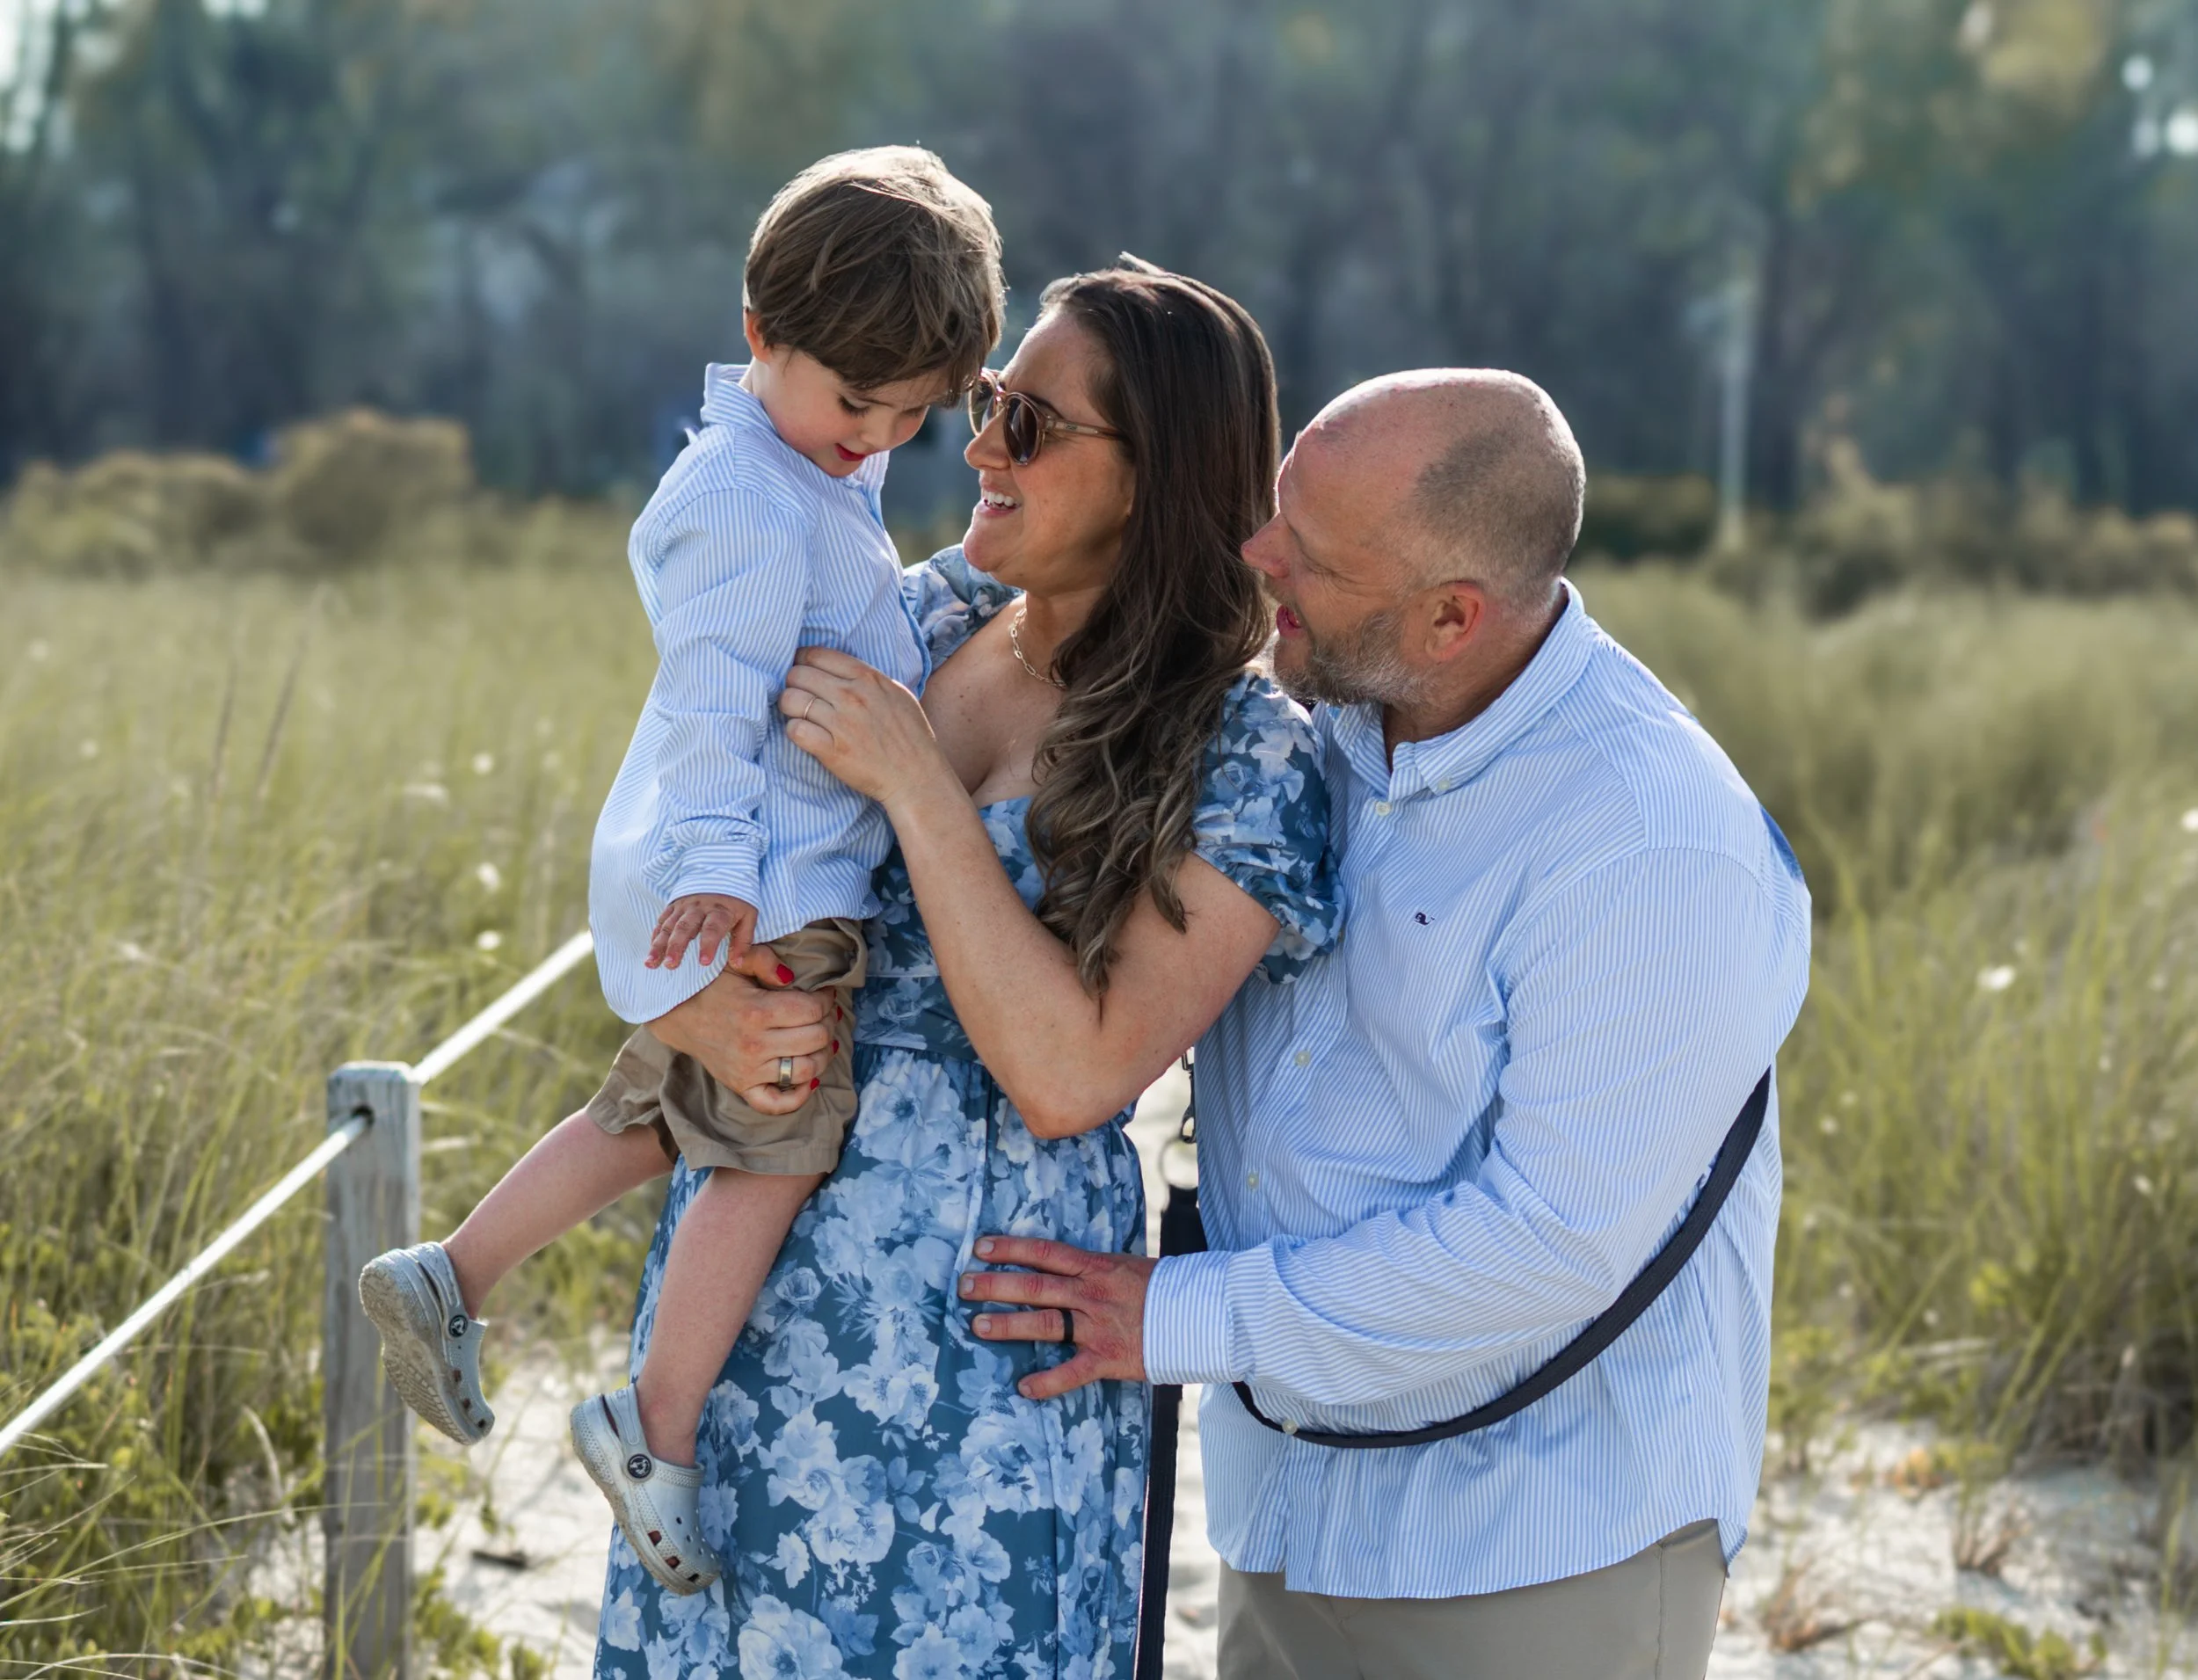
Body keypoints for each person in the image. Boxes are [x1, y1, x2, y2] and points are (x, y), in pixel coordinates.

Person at [956, 369, 1813, 1679]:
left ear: (1450, 616)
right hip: (1290, 1506)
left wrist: (1170, 1317)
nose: (1259, 556)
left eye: (1308, 552)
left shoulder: (1651, 843)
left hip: (1540, 1544)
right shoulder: (1311, 718)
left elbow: (1547, 1240)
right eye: (1279, 508)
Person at [592, 258, 1340, 1677]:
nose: (977, 444)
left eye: (1032, 424)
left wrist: (922, 793)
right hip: (750, 1280)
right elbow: (682, 834)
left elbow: (1074, 1073)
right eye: (992, 400)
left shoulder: (1242, 751)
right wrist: (699, 1006)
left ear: (1157, 475)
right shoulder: (904, 615)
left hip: (984, 1331)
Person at [356, 146, 1004, 1596]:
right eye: (860, 402)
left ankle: (455, 1272)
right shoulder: (755, 503)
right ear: (761, 336)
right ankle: (654, 1427)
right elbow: (712, 694)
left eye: (912, 412)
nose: (879, 436)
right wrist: (713, 881)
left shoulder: (792, 463)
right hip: (768, 887)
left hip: (756, 873)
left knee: (658, 1109)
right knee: (768, 1152)